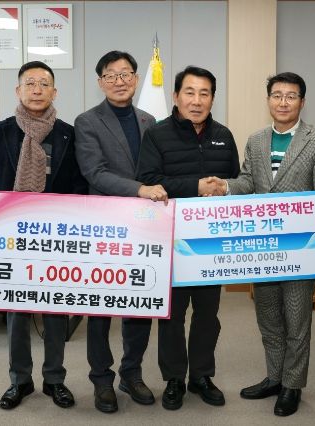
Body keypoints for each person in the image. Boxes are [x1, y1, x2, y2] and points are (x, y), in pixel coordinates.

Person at [207, 72, 315, 416]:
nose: (283, 102)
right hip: (262, 249)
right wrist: (225, 187)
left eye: (291, 96)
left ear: (302, 102)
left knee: (297, 320)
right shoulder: (256, 140)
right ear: (268, 101)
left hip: (300, 250)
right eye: (277, 95)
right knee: (268, 319)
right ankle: (274, 377)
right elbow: (248, 182)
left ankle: (292, 385)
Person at [0, 61, 88, 410]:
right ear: (18, 90)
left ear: (54, 92)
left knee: (55, 310)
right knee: (16, 312)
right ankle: (19, 380)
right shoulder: (0, 131)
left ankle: (55, 379)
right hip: (12, 236)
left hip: (56, 236)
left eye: (44, 83)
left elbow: (79, 185)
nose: (37, 89)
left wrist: (73, 215)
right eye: (30, 83)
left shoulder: (68, 134)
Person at [135, 66, 240, 410]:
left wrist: (224, 188)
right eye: (190, 92)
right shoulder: (156, 135)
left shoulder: (224, 135)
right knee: (172, 316)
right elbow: (148, 179)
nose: (197, 101)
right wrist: (196, 187)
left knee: (208, 315)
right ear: (176, 96)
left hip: (212, 243)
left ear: (212, 98)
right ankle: (174, 379)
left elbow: (236, 182)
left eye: (204, 93)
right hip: (171, 240)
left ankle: (202, 376)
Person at [74, 50, 167, 414]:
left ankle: (131, 373)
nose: (119, 81)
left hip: (144, 226)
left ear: (137, 79)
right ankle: (101, 379)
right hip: (105, 225)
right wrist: (140, 190)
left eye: (126, 74)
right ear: (100, 82)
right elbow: (94, 172)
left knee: (139, 303)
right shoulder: (87, 121)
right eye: (111, 75)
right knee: (100, 308)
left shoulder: (149, 120)